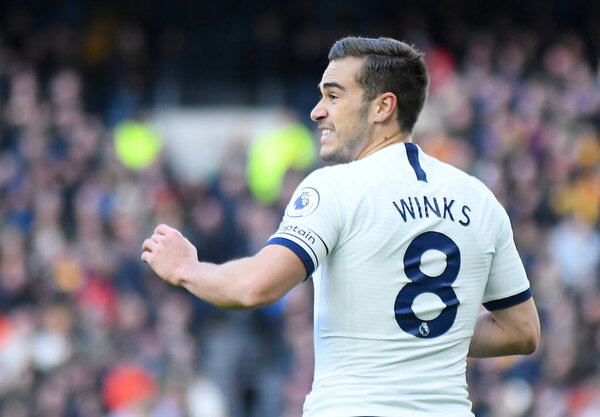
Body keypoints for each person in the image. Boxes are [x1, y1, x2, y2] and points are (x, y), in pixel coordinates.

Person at [141, 36, 541, 417]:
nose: (317, 110)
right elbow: (521, 330)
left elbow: (254, 287)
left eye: (333, 95)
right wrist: (423, 335)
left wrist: (186, 269)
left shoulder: (335, 187)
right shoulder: (479, 199)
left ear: (382, 107)